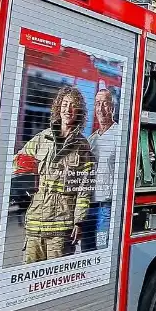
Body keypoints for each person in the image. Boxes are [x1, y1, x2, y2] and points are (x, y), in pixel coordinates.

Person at [18, 86, 95, 264]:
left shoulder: (83, 147)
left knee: (55, 280)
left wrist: (79, 221)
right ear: (58, 107)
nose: (68, 109)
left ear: (79, 112)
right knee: (28, 280)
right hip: (35, 224)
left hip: (62, 227)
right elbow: (19, 163)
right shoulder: (41, 139)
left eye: (73, 105)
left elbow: (85, 188)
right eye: (65, 104)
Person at [83, 88, 120, 253]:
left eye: (105, 103)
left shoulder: (120, 134)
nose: (101, 108)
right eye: (98, 104)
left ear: (112, 107)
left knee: (101, 248)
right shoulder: (91, 139)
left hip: (107, 206)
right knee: (86, 248)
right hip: (88, 204)